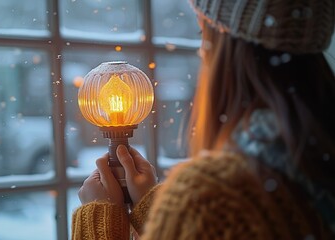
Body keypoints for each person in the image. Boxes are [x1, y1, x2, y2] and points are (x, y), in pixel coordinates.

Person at [72, 0, 335, 239]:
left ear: (226, 44)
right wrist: (157, 211)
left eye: (204, 34)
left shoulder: (213, 197)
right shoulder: (311, 167)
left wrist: (98, 220)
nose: (203, 52)